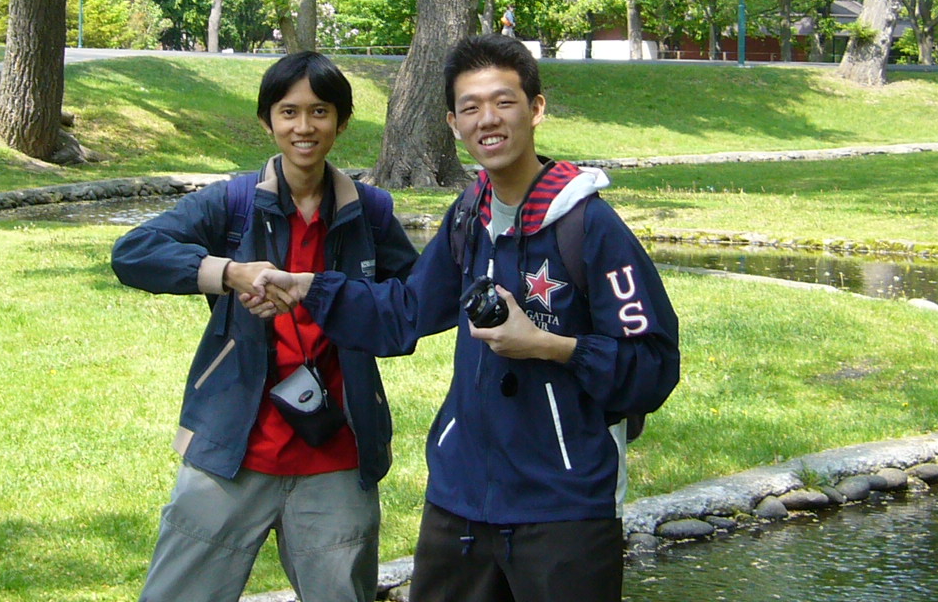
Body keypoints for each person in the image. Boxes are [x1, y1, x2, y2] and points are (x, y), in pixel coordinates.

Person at [255, 33, 680, 602]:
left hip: (563, 507)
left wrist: (550, 344)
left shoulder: (590, 227)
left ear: (536, 108)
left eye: (504, 101)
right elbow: (405, 312)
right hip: (459, 502)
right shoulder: (468, 215)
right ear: (453, 123)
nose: (489, 120)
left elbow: (652, 367)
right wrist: (312, 287)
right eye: (471, 107)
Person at [111, 51, 418, 602]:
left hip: (337, 453)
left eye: (320, 111)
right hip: (233, 447)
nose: (305, 127)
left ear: (342, 121)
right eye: (289, 112)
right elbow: (133, 253)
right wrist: (229, 273)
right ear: (267, 120)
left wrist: (345, 301)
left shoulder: (369, 212)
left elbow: (413, 305)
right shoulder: (233, 204)